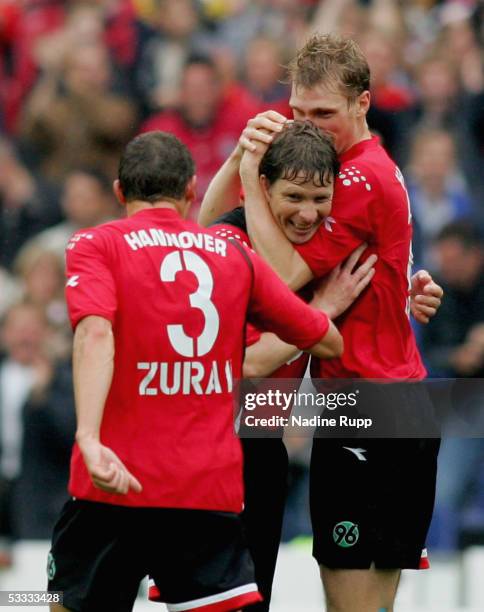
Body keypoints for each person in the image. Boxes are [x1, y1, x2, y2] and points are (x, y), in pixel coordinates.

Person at [47, 130, 344, 612]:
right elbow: (325, 339)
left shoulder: (95, 244)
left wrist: (88, 438)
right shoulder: (232, 253)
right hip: (205, 491)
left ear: (120, 191)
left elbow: (95, 334)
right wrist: (323, 312)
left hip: (114, 484)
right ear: (190, 192)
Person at [199, 33, 443, 612]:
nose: (308, 126)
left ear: (363, 104)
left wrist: (255, 172)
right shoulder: (342, 171)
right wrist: (241, 163)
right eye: (299, 112)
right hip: (373, 405)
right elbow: (210, 233)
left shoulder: (355, 178)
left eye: (325, 114)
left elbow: (280, 279)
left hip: (366, 410)